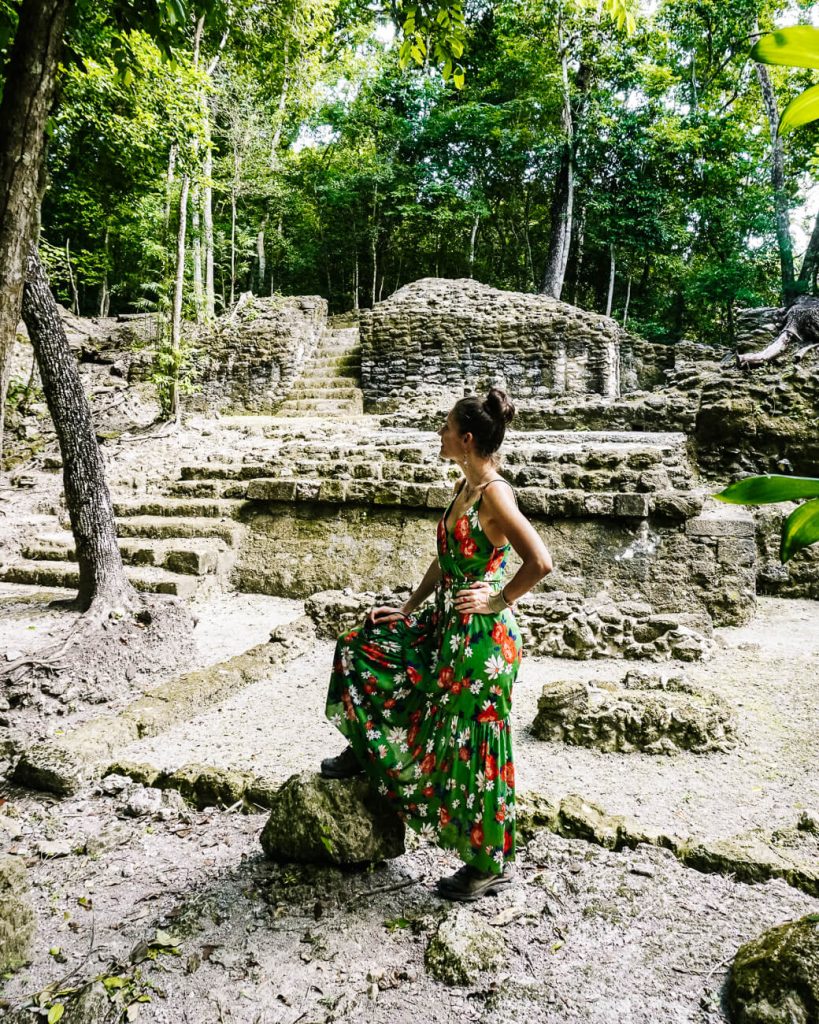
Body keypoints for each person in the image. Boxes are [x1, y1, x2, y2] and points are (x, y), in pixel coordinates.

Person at [321, 388, 553, 901]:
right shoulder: (463, 487)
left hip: (481, 645)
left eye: (446, 427)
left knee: (478, 750)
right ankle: (365, 747)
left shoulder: (495, 494)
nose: (440, 433)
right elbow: (446, 558)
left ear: (466, 439)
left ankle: (488, 863)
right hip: (444, 625)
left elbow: (540, 561)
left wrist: (497, 600)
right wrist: (407, 607)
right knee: (361, 643)